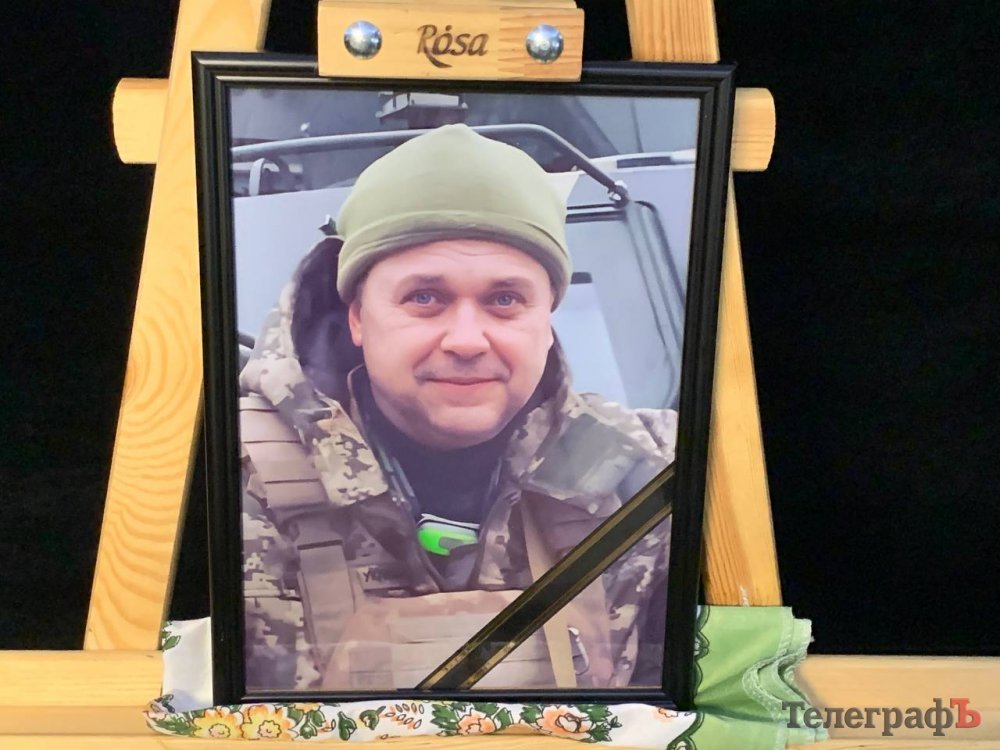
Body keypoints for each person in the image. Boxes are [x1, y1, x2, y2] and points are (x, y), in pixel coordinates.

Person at [240, 124, 677, 692]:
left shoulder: (651, 477)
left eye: (505, 299)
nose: (467, 340)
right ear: (357, 319)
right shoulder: (230, 481)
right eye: (425, 298)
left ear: (547, 321)